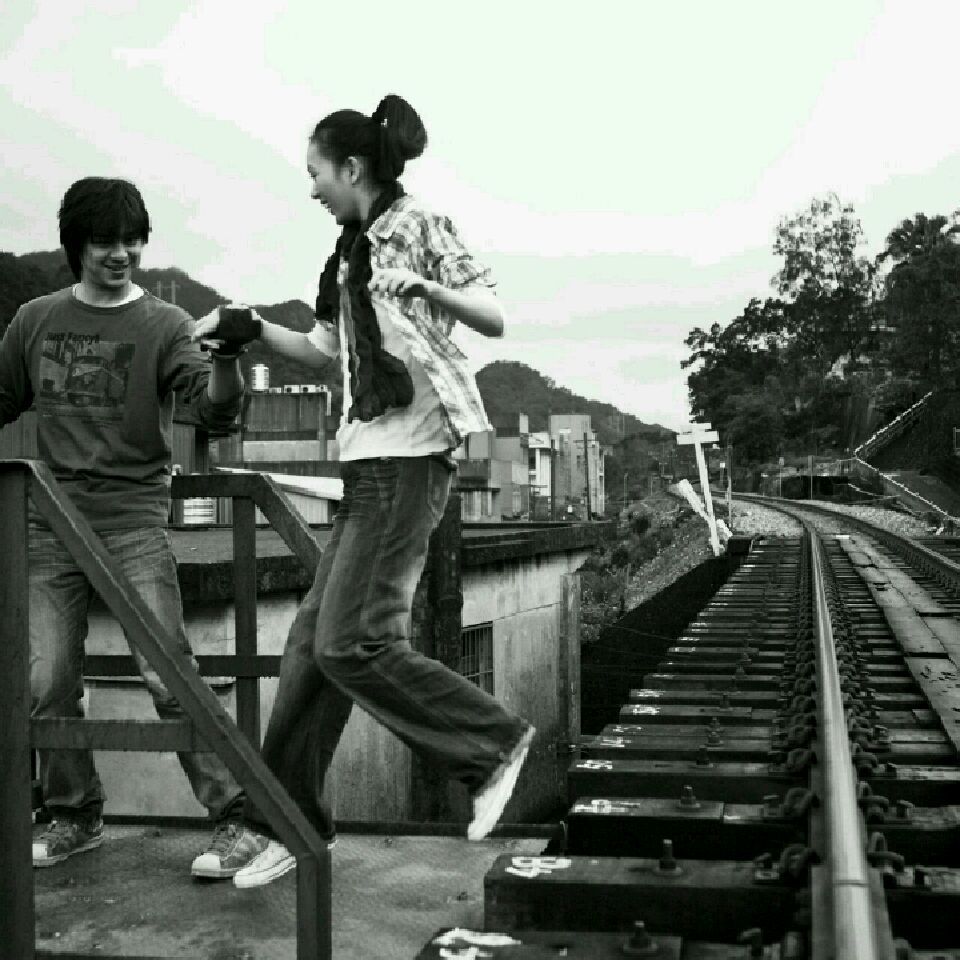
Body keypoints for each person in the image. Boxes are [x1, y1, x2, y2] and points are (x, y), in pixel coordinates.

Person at [193, 94, 535, 889]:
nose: (311, 187)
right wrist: (249, 328)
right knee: (311, 650)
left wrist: (427, 288)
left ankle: (490, 745)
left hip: (411, 456)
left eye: (317, 172)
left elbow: (493, 315)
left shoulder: (419, 224)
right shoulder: (345, 254)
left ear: (351, 168)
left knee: (355, 641)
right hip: (367, 460)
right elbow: (323, 352)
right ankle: (289, 824)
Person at [0, 177, 264, 880]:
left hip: (132, 521)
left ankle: (238, 817)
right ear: (76, 246)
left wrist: (228, 360)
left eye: (132, 240)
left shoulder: (164, 325)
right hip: (50, 522)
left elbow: (214, 410)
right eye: (105, 242)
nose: (121, 253)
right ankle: (73, 814)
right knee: (46, 681)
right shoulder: (34, 320)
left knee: (168, 675)